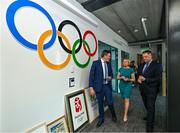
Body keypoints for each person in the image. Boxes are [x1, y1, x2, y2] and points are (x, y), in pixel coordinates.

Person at [89, 50, 117, 128]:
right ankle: (101, 119)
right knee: (100, 103)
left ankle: (113, 115)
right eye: (109, 56)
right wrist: (91, 87)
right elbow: (91, 76)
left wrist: (110, 77)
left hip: (107, 86)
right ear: (104, 55)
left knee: (110, 102)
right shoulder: (95, 63)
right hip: (98, 87)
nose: (110, 57)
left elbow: (111, 75)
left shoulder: (109, 64)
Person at [137, 50, 161, 132]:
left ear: (150, 56)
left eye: (146, 56)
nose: (144, 58)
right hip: (142, 90)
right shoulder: (141, 65)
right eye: (143, 57)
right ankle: (150, 116)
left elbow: (158, 79)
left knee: (151, 107)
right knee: (147, 105)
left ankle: (150, 127)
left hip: (151, 90)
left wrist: (146, 79)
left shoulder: (157, 65)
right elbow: (139, 74)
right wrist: (139, 79)